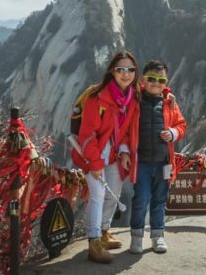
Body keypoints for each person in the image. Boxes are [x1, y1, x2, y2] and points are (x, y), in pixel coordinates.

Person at [71, 51, 140, 264]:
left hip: (115, 155)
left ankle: (104, 231)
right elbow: (87, 135)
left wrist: (126, 151)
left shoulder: (131, 98)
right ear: (112, 71)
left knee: (114, 193)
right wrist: (95, 163)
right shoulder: (97, 97)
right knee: (98, 195)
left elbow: (127, 130)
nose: (126, 74)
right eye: (121, 69)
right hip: (93, 156)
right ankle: (94, 243)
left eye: (130, 70)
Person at [130, 59, 187, 254]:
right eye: (152, 78)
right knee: (141, 198)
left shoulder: (169, 103)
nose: (156, 83)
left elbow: (182, 125)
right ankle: (137, 236)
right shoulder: (135, 100)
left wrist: (173, 133)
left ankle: (157, 236)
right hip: (142, 162)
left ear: (166, 81)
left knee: (160, 200)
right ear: (143, 79)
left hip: (164, 162)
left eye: (161, 80)